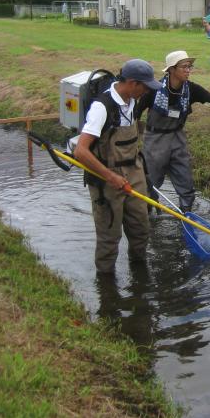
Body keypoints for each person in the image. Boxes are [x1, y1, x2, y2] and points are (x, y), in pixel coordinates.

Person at [74, 59, 162, 274]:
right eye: (145, 86)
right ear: (132, 83)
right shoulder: (101, 108)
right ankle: (106, 289)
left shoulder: (133, 100)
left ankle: (140, 276)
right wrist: (110, 177)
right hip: (107, 178)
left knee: (141, 228)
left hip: (134, 171)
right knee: (109, 236)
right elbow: (81, 151)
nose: (148, 91)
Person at [137, 51, 210, 212]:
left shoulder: (191, 89)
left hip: (177, 138)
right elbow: (136, 111)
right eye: (184, 67)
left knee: (185, 178)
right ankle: (148, 213)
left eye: (190, 66)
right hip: (154, 139)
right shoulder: (154, 90)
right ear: (171, 70)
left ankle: (187, 215)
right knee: (150, 182)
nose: (188, 70)